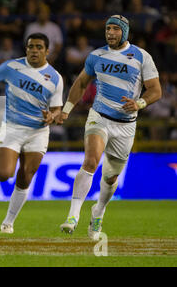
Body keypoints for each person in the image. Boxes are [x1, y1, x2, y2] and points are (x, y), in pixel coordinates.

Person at [57, 15, 162, 240]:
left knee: (111, 178)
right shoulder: (96, 55)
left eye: (115, 29)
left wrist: (140, 103)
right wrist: (66, 110)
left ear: (124, 32)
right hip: (100, 117)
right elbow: (81, 83)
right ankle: (72, 216)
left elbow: (155, 90)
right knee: (91, 161)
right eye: (108, 29)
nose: (110, 33)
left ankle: (98, 212)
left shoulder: (142, 57)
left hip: (125, 125)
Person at [0, 33, 63, 233]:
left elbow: (57, 108)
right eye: (31, 46)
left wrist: (52, 116)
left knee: (25, 177)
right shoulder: (12, 67)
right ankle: (9, 157)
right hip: (12, 127)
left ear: (47, 51)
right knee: (3, 174)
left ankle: (8, 222)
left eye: (39, 47)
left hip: (38, 131)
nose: (34, 50)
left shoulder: (55, 78)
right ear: (26, 49)